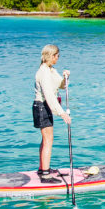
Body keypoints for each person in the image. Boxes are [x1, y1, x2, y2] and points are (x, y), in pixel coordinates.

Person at [33, 44, 71, 183]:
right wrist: (62, 113)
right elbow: (49, 95)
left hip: (46, 106)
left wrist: (65, 77)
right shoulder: (43, 72)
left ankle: (42, 168)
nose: (58, 59)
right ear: (51, 56)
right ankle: (45, 174)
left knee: (46, 139)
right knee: (48, 140)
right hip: (42, 106)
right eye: (57, 56)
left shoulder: (51, 70)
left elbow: (61, 86)